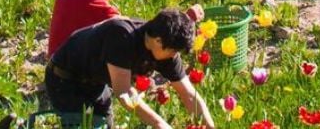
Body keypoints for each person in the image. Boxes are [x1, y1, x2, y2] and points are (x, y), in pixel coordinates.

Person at [46, 9, 215, 129]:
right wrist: (160, 124)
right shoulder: (122, 36)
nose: (174, 56)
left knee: (103, 124)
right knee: (81, 123)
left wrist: (209, 126)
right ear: (157, 41)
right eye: (173, 51)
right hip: (65, 79)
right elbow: (124, 92)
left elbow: (189, 95)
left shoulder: (167, 48)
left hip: (97, 82)